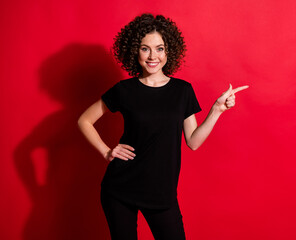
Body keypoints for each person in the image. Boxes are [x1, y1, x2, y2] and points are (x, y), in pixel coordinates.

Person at [78, 13, 248, 240]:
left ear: (169, 51)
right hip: (120, 190)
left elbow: (193, 142)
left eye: (159, 48)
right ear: (134, 51)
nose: (152, 56)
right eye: (145, 48)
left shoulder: (182, 91)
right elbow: (84, 120)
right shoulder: (124, 90)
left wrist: (217, 110)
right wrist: (107, 151)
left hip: (161, 195)